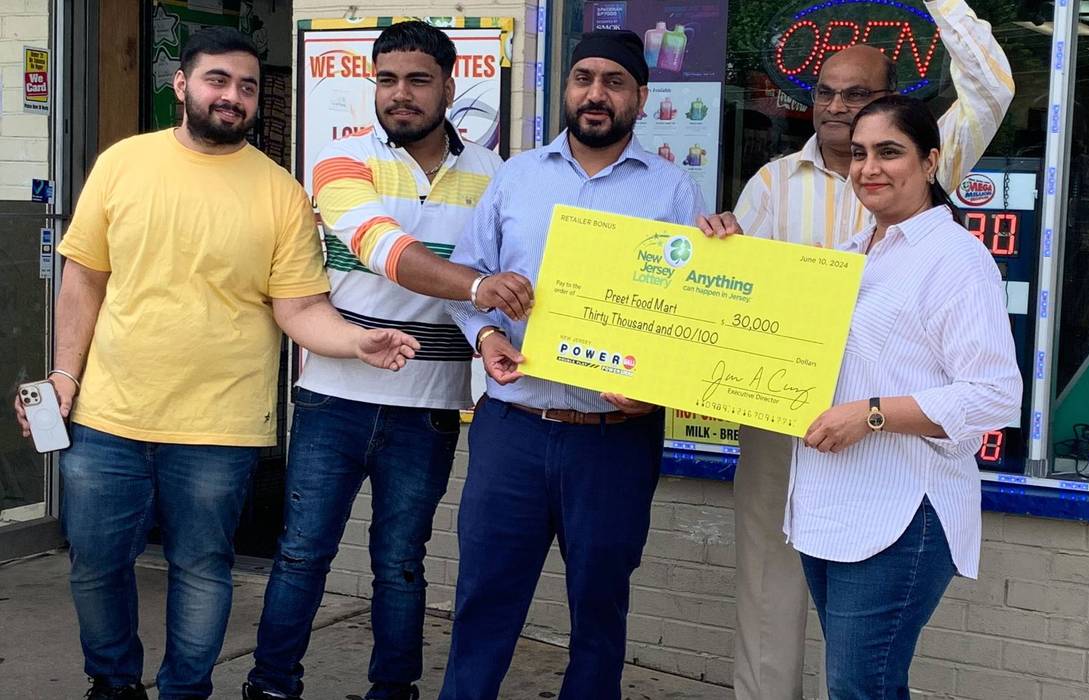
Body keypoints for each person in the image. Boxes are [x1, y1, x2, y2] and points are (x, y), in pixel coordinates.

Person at [12, 28, 420, 700]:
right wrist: (63, 377)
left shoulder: (280, 193)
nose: (232, 96)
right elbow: (83, 279)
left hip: (219, 427)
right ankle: (114, 682)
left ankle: (186, 690)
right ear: (183, 85)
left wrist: (355, 339)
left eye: (247, 86)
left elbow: (299, 309)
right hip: (109, 415)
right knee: (94, 565)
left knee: (202, 568)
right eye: (217, 80)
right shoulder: (123, 165)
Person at [696, 3, 1014, 697]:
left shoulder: (934, 214)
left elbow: (990, 85)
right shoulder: (774, 185)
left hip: (885, 457)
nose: (839, 109)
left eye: (859, 95)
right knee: (769, 590)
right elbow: (735, 306)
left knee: (860, 667)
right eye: (825, 93)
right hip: (784, 429)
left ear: (927, 155)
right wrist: (716, 254)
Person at [241, 21, 531, 700]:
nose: (400, 94)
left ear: (448, 85)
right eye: (386, 79)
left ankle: (393, 689)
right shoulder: (339, 161)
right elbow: (381, 248)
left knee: (400, 564)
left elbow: (504, 282)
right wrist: (477, 286)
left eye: (417, 80)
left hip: (427, 408)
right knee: (302, 553)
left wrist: (489, 325)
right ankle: (271, 683)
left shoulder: (495, 176)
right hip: (332, 398)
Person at [438, 30, 705, 700]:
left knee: (599, 607)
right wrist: (484, 336)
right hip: (513, 427)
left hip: (613, 440)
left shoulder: (674, 192)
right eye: (582, 77)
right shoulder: (516, 176)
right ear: (566, 89)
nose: (594, 93)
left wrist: (661, 387)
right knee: (483, 598)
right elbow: (470, 280)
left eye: (613, 81)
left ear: (640, 97)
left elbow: (693, 318)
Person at [796, 94, 1021, 697]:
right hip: (828, 505)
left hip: (902, 513)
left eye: (889, 152)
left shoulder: (955, 259)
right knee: (863, 687)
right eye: (858, 153)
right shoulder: (846, 258)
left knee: (857, 688)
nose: (868, 167)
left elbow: (995, 395)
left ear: (929, 162)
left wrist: (869, 415)